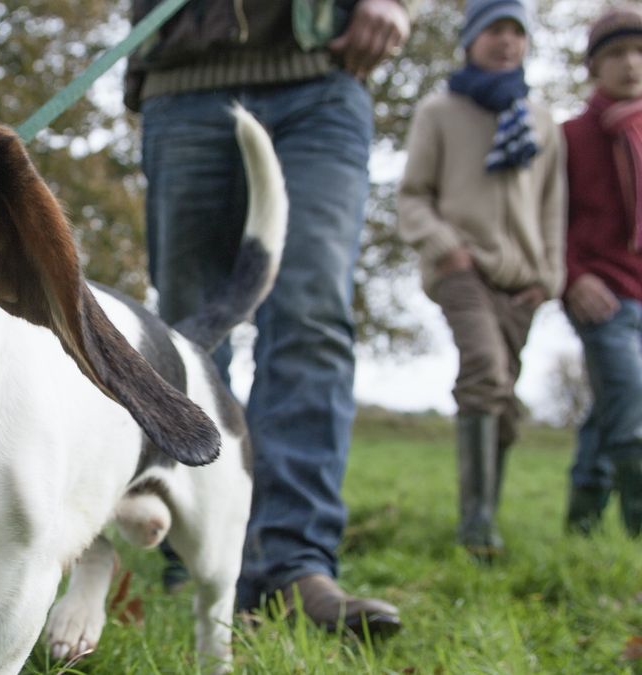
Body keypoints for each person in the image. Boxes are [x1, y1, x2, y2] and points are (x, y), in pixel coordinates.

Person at [126, 0, 410, 635]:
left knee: (312, 319)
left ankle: (296, 566)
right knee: (187, 335)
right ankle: (192, 562)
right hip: (183, 80)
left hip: (322, 76)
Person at [397, 0, 564, 559]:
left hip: (525, 280)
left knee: (504, 401)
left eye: (517, 31)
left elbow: (551, 206)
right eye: (495, 29)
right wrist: (448, 248)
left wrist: (550, 277)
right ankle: (476, 527)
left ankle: (486, 509)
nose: (507, 41)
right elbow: (413, 195)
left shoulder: (540, 119)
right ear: (470, 38)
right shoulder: (439, 111)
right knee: (485, 371)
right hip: (461, 269)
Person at [560, 6, 642, 538]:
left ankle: (582, 522)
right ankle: (639, 530)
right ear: (593, 66)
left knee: (610, 407)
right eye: (615, 54)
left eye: (639, 52)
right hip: (602, 295)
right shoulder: (570, 137)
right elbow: (548, 221)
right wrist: (572, 278)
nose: (631, 64)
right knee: (633, 407)